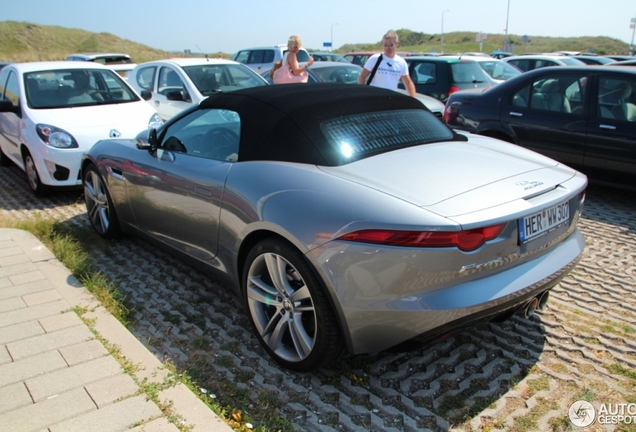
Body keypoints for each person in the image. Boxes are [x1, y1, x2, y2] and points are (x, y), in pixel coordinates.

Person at [358, 30, 416, 97]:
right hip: (374, 98)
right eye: (385, 44)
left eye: (390, 44)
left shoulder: (401, 62)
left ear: (397, 44)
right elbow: (362, 77)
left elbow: (408, 83)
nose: (387, 47)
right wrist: (363, 94)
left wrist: (414, 99)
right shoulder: (374, 59)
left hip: (391, 99)